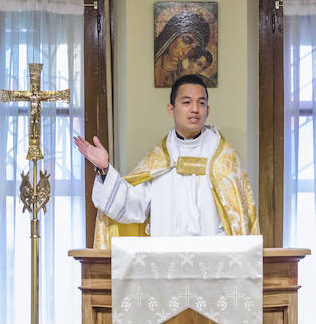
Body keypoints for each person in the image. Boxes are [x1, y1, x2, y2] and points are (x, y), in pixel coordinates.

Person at [73, 74, 259, 248]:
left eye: (201, 103)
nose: (195, 109)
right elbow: (131, 206)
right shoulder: (159, 160)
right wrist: (104, 168)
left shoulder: (224, 158)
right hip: (165, 261)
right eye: (187, 102)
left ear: (207, 109)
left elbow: (240, 219)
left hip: (214, 260)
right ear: (171, 109)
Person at [153, 9, 211, 88]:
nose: (186, 52)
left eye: (194, 49)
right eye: (186, 40)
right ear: (172, 35)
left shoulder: (183, 74)